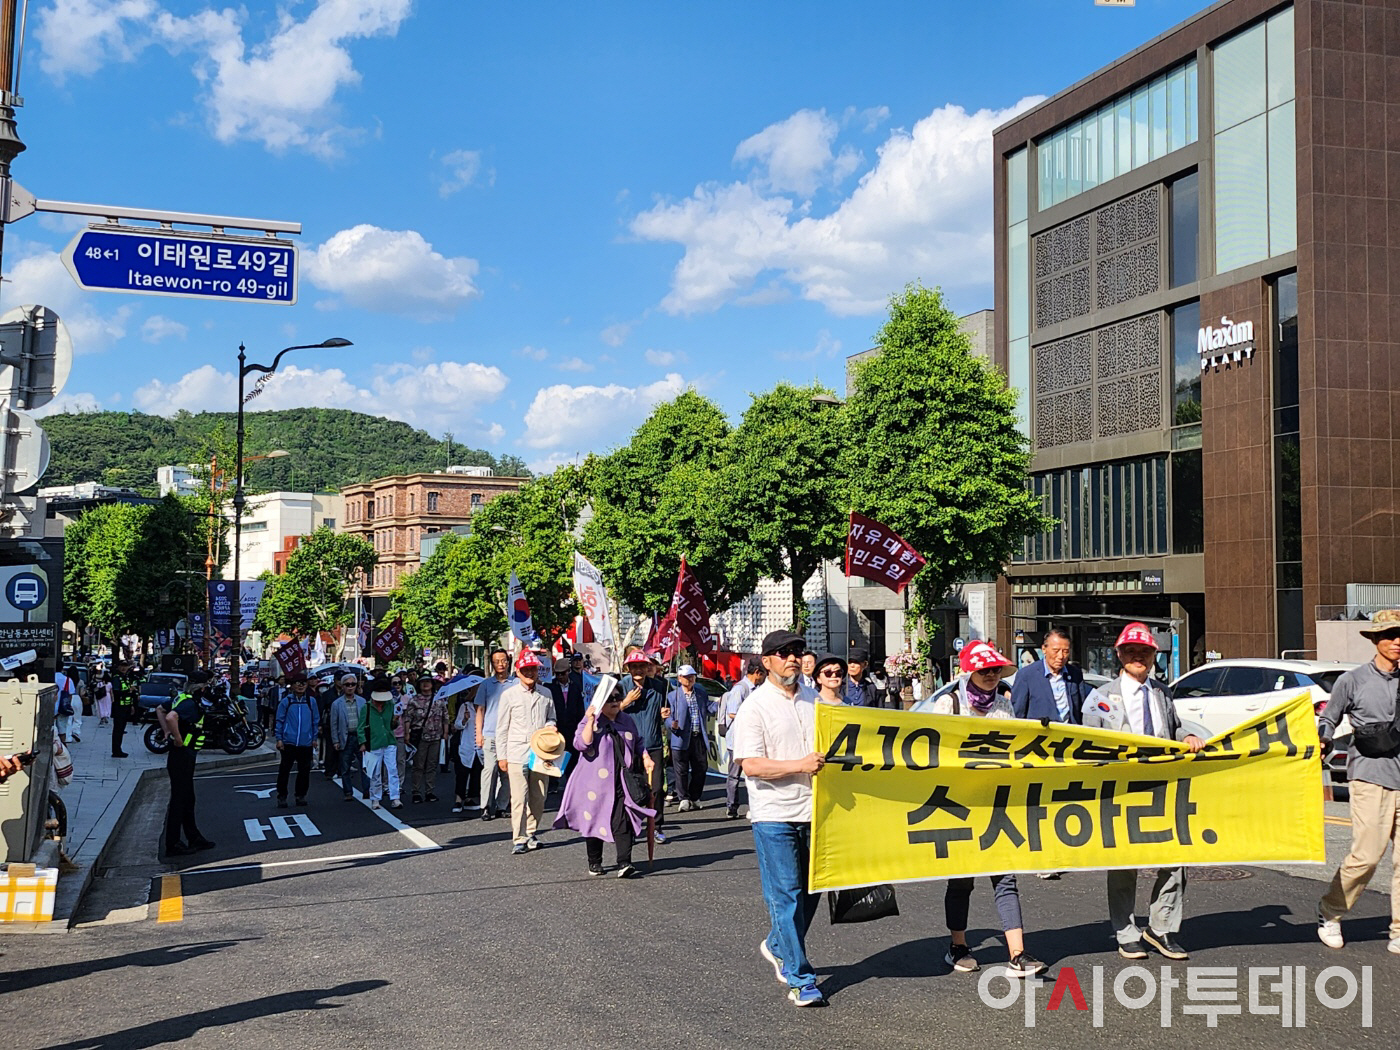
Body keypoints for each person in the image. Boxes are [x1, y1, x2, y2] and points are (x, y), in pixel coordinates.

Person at [1082, 622, 1205, 961]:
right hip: (1121, 791)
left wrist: (1186, 738)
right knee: (1124, 863)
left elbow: (1174, 728)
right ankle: (1125, 932)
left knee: (1176, 856)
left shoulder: (1162, 692)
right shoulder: (1102, 697)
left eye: (1145, 651)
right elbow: (1088, 747)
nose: (1138, 657)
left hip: (1164, 786)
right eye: (1131, 651)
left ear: (1154, 656)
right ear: (1119, 655)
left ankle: (1161, 928)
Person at [930, 641, 1044, 977]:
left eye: (995, 670)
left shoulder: (1004, 708)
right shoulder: (947, 704)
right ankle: (958, 945)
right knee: (962, 880)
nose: (992, 675)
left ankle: (1017, 954)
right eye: (985, 670)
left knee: (1005, 878)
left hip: (996, 804)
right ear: (970, 672)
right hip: (957, 806)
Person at [729, 629, 826, 1008]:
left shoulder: (814, 701)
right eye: (783, 653)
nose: (792, 658)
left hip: (814, 811)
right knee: (786, 896)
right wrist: (798, 766)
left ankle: (775, 943)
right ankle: (801, 978)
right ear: (766, 661)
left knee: (812, 893)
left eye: (797, 652)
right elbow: (750, 764)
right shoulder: (755, 707)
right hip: (774, 816)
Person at [1316, 609, 1400, 955]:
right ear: (1375, 640)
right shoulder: (1352, 680)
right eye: (1390, 635)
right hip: (1370, 774)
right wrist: (1321, 739)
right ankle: (1330, 912)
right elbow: (1329, 718)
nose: (1397, 642)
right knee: (1366, 856)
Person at [555, 681, 656, 877]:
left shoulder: (626, 720)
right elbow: (581, 744)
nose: (615, 702)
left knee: (623, 820)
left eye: (618, 697)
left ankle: (624, 862)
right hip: (594, 783)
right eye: (610, 699)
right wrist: (590, 721)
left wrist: (645, 757)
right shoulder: (591, 721)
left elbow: (638, 742)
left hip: (621, 781)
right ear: (600, 701)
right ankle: (595, 861)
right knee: (594, 819)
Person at [494, 650, 556, 855]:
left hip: (540, 752)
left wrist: (550, 727)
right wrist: (501, 756)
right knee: (519, 797)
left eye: (533, 669)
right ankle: (518, 837)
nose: (529, 673)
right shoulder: (509, 695)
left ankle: (531, 832)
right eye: (525, 669)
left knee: (539, 796)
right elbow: (501, 728)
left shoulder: (546, 693)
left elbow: (551, 718)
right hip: (516, 751)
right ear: (518, 672)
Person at [158, 671, 216, 857]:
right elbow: (170, 716)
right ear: (202, 687)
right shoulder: (189, 703)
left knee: (188, 799)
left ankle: (194, 837)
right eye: (207, 685)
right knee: (179, 800)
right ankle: (173, 844)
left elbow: (160, 709)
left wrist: (167, 732)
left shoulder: (182, 698)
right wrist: (177, 739)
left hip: (183, 757)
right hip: (182, 755)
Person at [619, 648, 671, 842]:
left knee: (656, 789)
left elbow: (668, 708)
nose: (638, 670)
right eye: (634, 667)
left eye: (642, 666)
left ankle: (656, 826)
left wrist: (665, 713)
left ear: (648, 667)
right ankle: (632, 827)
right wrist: (626, 702)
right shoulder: (621, 686)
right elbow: (609, 711)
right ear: (628, 668)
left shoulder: (660, 687)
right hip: (629, 746)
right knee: (631, 790)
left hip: (653, 744)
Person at [1011, 627, 1092, 724]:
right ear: (1044, 649)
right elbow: (1017, 714)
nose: (1061, 656)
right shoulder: (1026, 675)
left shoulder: (1075, 674)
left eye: (1065, 651)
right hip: (1041, 735)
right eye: (1056, 651)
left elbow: (1081, 709)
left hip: (1069, 734)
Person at [720, 659, 766, 819]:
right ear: (757, 673)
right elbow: (732, 712)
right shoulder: (740, 689)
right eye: (763, 674)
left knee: (753, 775)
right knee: (734, 775)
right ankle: (731, 806)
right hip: (737, 739)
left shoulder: (759, 689)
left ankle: (754, 806)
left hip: (753, 739)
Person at [474, 647, 515, 821]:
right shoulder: (486, 684)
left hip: (511, 734)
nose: (500, 664)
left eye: (503, 660)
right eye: (497, 661)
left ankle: (502, 806)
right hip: (490, 733)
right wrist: (478, 734)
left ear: (508, 662)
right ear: (492, 664)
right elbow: (480, 710)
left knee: (507, 772)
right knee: (489, 770)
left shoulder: (516, 683)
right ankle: (485, 806)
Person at [667, 664, 710, 812]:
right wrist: (671, 724)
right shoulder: (673, 696)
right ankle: (683, 798)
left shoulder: (701, 693)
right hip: (680, 737)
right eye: (686, 677)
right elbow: (666, 716)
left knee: (701, 768)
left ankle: (695, 796)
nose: (690, 679)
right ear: (679, 678)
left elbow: (708, 707)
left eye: (692, 676)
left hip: (698, 736)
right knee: (681, 770)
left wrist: (723, 702)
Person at [274, 672, 320, 807]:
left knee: (304, 771)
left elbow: (315, 721)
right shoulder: (286, 701)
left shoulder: (311, 702)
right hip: (289, 742)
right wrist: (279, 739)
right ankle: (282, 796)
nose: (300, 686)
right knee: (284, 770)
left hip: (306, 742)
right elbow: (279, 721)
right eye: (297, 683)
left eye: (303, 683)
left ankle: (300, 795)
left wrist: (314, 738)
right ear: (292, 686)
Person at [359, 678, 402, 810]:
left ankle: (395, 798)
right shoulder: (366, 707)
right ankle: (375, 799)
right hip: (373, 743)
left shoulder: (390, 705)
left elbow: (392, 725)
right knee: (375, 772)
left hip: (389, 740)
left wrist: (396, 721)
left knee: (392, 770)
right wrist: (362, 743)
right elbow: (360, 727)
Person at [408, 673, 448, 803]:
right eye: (422, 682)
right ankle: (416, 791)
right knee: (418, 765)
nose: (425, 684)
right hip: (420, 737)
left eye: (428, 682)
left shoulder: (439, 700)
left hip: (436, 736)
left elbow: (445, 717)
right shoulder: (414, 700)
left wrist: (445, 733)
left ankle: (429, 791)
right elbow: (408, 718)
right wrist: (407, 734)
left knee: (432, 765)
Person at [451, 676, 486, 814]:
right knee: (462, 773)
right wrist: (464, 720)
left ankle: (470, 798)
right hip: (466, 745)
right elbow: (457, 725)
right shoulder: (465, 707)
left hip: (480, 746)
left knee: (477, 772)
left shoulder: (487, 708)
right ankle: (458, 799)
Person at [329, 674, 364, 802]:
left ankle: (367, 790)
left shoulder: (362, 701)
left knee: (365, 766)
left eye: (353, 684)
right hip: (346, 737)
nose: (350, 687)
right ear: (342, 686)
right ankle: (348, 792)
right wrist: (335, 741)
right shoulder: (336, 704)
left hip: (360, 737)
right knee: (345, 767)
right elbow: (333, 724)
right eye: (347, 684)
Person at [109, 660, 134, 757]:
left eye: (125, 666)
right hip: (119, 707)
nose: (124, 668)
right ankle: (116, 751)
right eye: (122, 666)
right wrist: (129, 690)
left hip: (126, 707)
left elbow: (130, 695)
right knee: (118, 730)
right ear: (118, 667)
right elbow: (117, 692)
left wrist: (131, 706)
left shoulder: (126, 678)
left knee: (121, 729)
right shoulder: (116, 678)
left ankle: (118, 749)